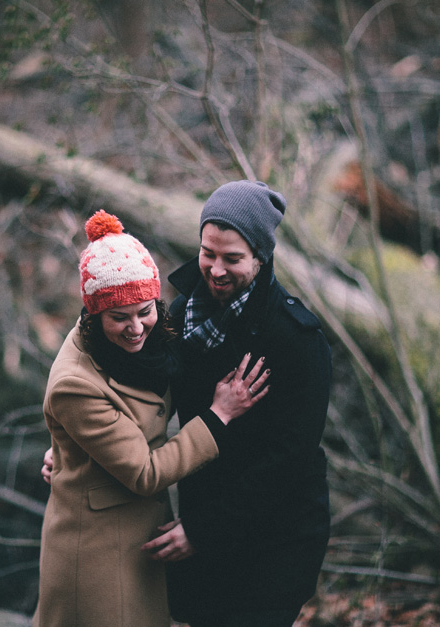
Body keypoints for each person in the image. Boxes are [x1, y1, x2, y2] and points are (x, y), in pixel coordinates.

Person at [33, 210, 270, 627]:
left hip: (134, 538)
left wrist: (66, 451)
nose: (135, 329)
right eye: (118, 318)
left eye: (144, 311)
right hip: (96, 554)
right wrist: (219, 415)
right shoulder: (76, 383)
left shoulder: (152, 341)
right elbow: (144, 471)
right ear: (93, 314)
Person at [142, 180, 332, 627]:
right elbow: (143, 397)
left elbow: (288, 460)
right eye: (209, 253)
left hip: (276, 538)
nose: (216, 269)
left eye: (233, 259)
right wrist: (74, 449)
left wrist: (204, 530)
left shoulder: (296, 339)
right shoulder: (181, 314)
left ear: (261, 258)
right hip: (204, 522)